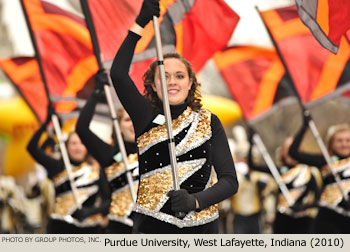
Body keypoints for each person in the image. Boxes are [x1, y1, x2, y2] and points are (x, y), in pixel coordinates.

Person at [110, 0, 238, 233]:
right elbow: (118, 74)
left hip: (202, 228)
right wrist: (139, 23)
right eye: (164, 76)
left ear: (190, 84)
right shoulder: (143, 116)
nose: (172, 81)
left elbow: (230, 181)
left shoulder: (210, 121)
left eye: (179, 76)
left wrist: (195, 201)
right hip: (152, 227)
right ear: (154, 85)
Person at [26, 107, 110, 234]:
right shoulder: (57, 167)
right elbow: (31, 148)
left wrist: (91, 212)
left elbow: (109, 201)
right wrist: (46, 124)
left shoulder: (97, 172)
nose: (78, 148)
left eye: (81, 143)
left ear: (87, 147)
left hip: (90, 230)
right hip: (60, 228)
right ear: (66, 147)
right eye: (73, 143)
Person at [76, 72, 138, 233]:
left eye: (135, 117)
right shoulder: (109, 154)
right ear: (118, 127)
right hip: (120, 230)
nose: (132, 123)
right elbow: (82, 129)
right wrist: (96, 92)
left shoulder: (156, 150)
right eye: (126, 120)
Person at [248, 130, 322, 234]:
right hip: (282, 219)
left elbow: (318, 199)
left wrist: (303, 207)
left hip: (304, 220)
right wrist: (251, 142)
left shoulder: (308, 171)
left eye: (293, 149)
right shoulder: (277, 170)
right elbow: (253, 165)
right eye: (287, 149)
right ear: (283, 151)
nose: (290, 153)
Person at [289, 110, 350, 233]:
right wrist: (304, 127)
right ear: (331, 143)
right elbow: (293, 153)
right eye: (339, 141)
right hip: (328, 218)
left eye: (348, 140)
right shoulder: (324, 161)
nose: (344, 144)